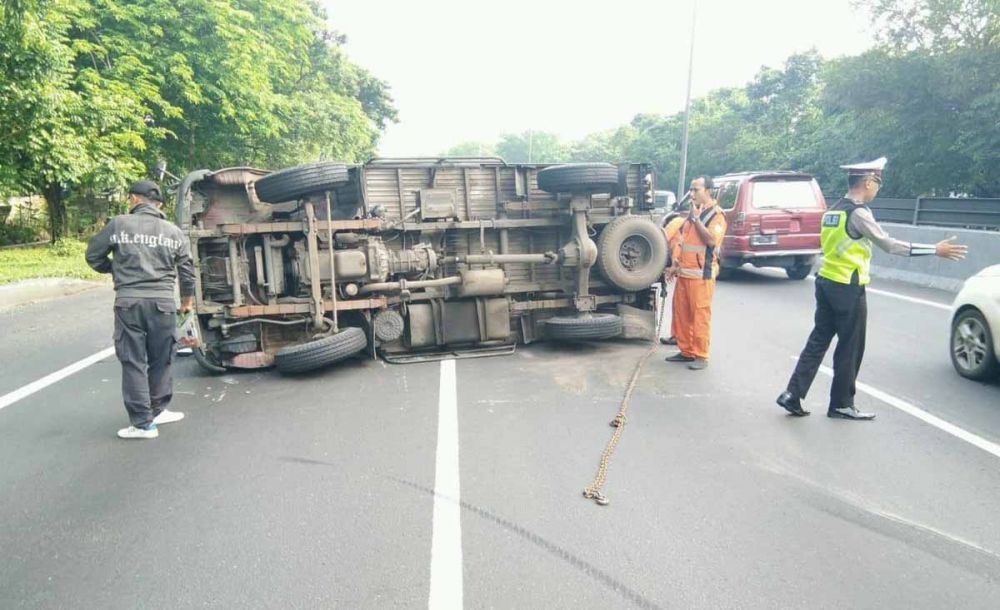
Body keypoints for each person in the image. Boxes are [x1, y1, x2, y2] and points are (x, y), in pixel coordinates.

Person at [776, 158, 967, 420]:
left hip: (825, 281)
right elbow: (889, 245)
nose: (878, 188)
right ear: (867, 182)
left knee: (818, 340)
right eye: (878, 182)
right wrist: (935, 249)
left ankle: (792, 394)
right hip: (847, 287)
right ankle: (842, 404)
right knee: (850, 346)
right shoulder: (859, 213)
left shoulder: (833, 211)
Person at [86, 180, 196, 439]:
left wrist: (117, 269)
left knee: (133, 359)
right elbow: (188, 272)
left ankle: (144, 423)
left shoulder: (118, 224)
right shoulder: (173, 231)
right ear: (158, 204)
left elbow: (93, 256)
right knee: (162, 358)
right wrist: (187, 303)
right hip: (163, 304)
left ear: (135, 200)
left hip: (129, 302)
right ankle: (157, 410)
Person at [664, 176, 727, 370]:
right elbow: (684, 243)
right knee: (682, 315)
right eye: (690, 190)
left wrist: (697, 219)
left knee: (700, 317)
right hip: (684, 274)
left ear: (708, 191)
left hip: (702, 276)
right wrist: (675, 265)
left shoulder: (716, 215)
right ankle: (686, 350)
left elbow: (711, 241)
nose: (692, 194)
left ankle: (701, 355)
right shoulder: (693, 214)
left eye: (696, 190)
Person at [659, 214, 686, 346]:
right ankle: (677, 336)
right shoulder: (681, 227)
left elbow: (662, 238)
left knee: (684, 309)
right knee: (678, 307)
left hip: (689, 273)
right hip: (682, 272)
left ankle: (682, 338)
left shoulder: (677, 222)